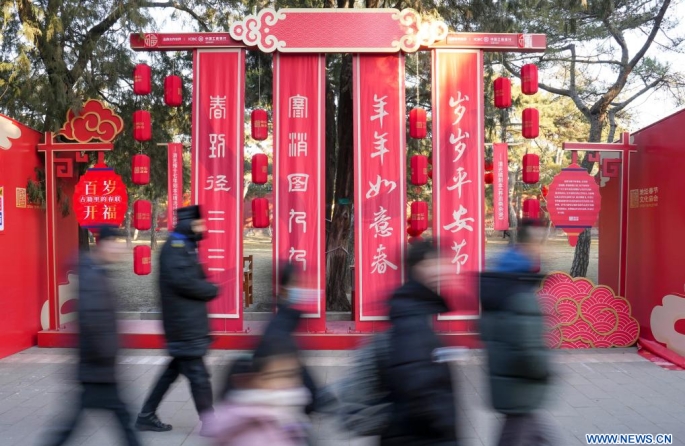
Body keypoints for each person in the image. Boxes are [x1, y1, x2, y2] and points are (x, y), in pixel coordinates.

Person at [41, 225, 141, 446]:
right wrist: (109, 355)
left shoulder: (96, 272)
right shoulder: (93, 277)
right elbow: (93, 321)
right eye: (115, 242)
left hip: (97, 368)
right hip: (98, 368)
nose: (119, 248)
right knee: (121, 422)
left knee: (76, 425)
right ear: (102, 244)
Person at [135, 205, 219, 433]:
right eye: (200, 223)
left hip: (186, 324)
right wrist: (210, 290)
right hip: (183, 326)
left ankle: (146, 415)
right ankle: (209, 422)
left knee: (172, 372)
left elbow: (194, 277)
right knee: (199, 375)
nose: (204, 227)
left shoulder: (186, 246)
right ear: (189, 223)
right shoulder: (175, 247)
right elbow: (184, 282)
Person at [479, 219, 555, 446]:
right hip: (520, 386)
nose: (543, 249)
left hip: (508, 382)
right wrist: (544, 370)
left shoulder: (501, 277)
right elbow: (529, 350)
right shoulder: (520, 290)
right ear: (530, 244)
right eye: (540, 242)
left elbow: (485, 329)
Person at [381, 240, 459, 445]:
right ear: (420, 267)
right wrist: (446, 428)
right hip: (422, 436)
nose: (443, 268)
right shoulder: (412, 315)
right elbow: (418, 385)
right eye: (436, 262)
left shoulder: (419, 307)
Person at [205, 337, 312, 446]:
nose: (291, 383)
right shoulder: (252, 431)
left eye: (294, 374)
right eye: (281, 376)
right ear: (253, 380)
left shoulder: (279, 417)